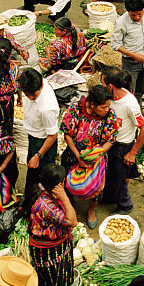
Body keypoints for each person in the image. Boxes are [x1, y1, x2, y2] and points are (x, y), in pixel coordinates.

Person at [59, 85, 118, 227]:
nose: (107, 110)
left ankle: (91, 210)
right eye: (103, 107)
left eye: (108, 106)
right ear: (92, 104)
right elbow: (67, 134)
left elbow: (111, 138)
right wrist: (79, 157)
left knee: (97, 185)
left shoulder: (109, 115)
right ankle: (69, 204)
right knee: (68, 180)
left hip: (96, 155)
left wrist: (96, 154)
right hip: (74, 153)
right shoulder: (75, 110)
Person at [24, 164, 77, 286]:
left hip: (57, 245)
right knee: (52, 278)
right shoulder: (47, 206)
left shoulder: (45, 193)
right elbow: (73, 221)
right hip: (48, 250)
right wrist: (64, 197)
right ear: (58, 185)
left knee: (58, 273)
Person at [101, 67, 144, 215]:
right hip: (112, 143)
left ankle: (125, 205)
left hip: (123, 147)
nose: (101, 86)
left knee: (120, 179)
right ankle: (109, 197)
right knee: (112, 174)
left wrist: (133, 153)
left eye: (102, 83)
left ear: (110, 86)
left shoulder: (129, 103)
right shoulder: (112, 98)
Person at [112, 0, 144, 104]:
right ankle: (130, 109)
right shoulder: (121, 23)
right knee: (129, 90)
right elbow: (115, 44)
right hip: (131, 63)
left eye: (139, 14)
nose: (137, 17)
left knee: (141, 88)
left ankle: (137, 106)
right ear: (128, 12)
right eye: (133, 15)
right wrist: (134, 55)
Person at [19, 68, 59, 192]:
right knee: (32, 169)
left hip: (44, 142)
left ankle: (43, 203)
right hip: (34, 136)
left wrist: (38, 155)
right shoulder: (35, 82)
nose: (30, 97)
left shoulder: (46, 108)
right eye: (27, 94)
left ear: (41, 86)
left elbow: (53, 135)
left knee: (44, 174)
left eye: (33, 95)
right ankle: (30, 198)